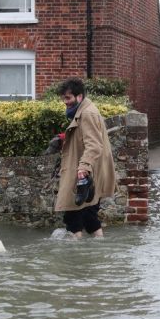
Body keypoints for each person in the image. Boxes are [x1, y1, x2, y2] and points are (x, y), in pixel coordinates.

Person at [54, 77, 116, 238]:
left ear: (79, 96)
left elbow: (94, 145)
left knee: (73, 218)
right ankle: (97, 251)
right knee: (89, 216)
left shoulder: (87, 113)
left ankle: (75, 259)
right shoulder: (85, 111)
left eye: (68, 98)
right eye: (64, 98)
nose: (65, 102)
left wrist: (83, 167)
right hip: (90, 172)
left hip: (84, 173)